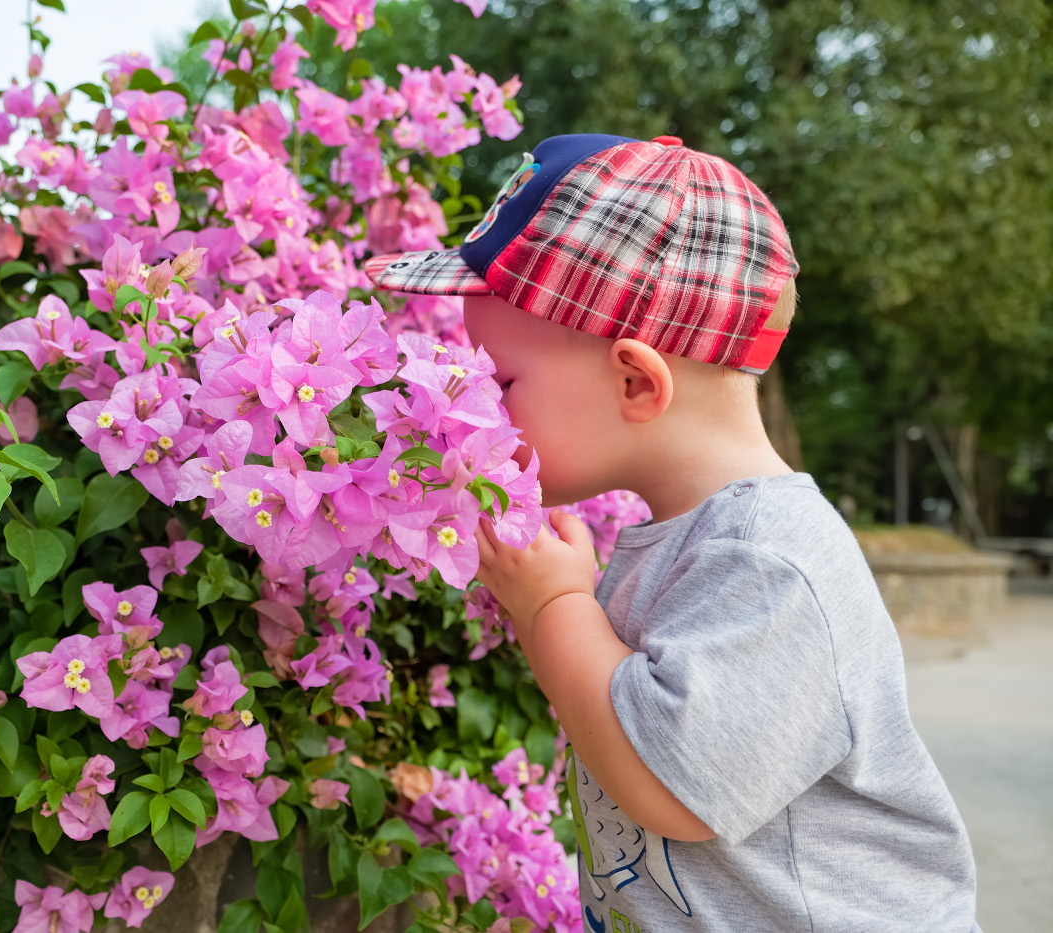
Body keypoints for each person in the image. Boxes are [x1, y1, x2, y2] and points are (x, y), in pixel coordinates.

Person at [366, 134, 979, 931]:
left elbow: (670, 787)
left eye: (500, 380)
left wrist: (553, 605)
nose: (474, 405)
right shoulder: (694, 539)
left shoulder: (771, 562)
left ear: (635, 379)